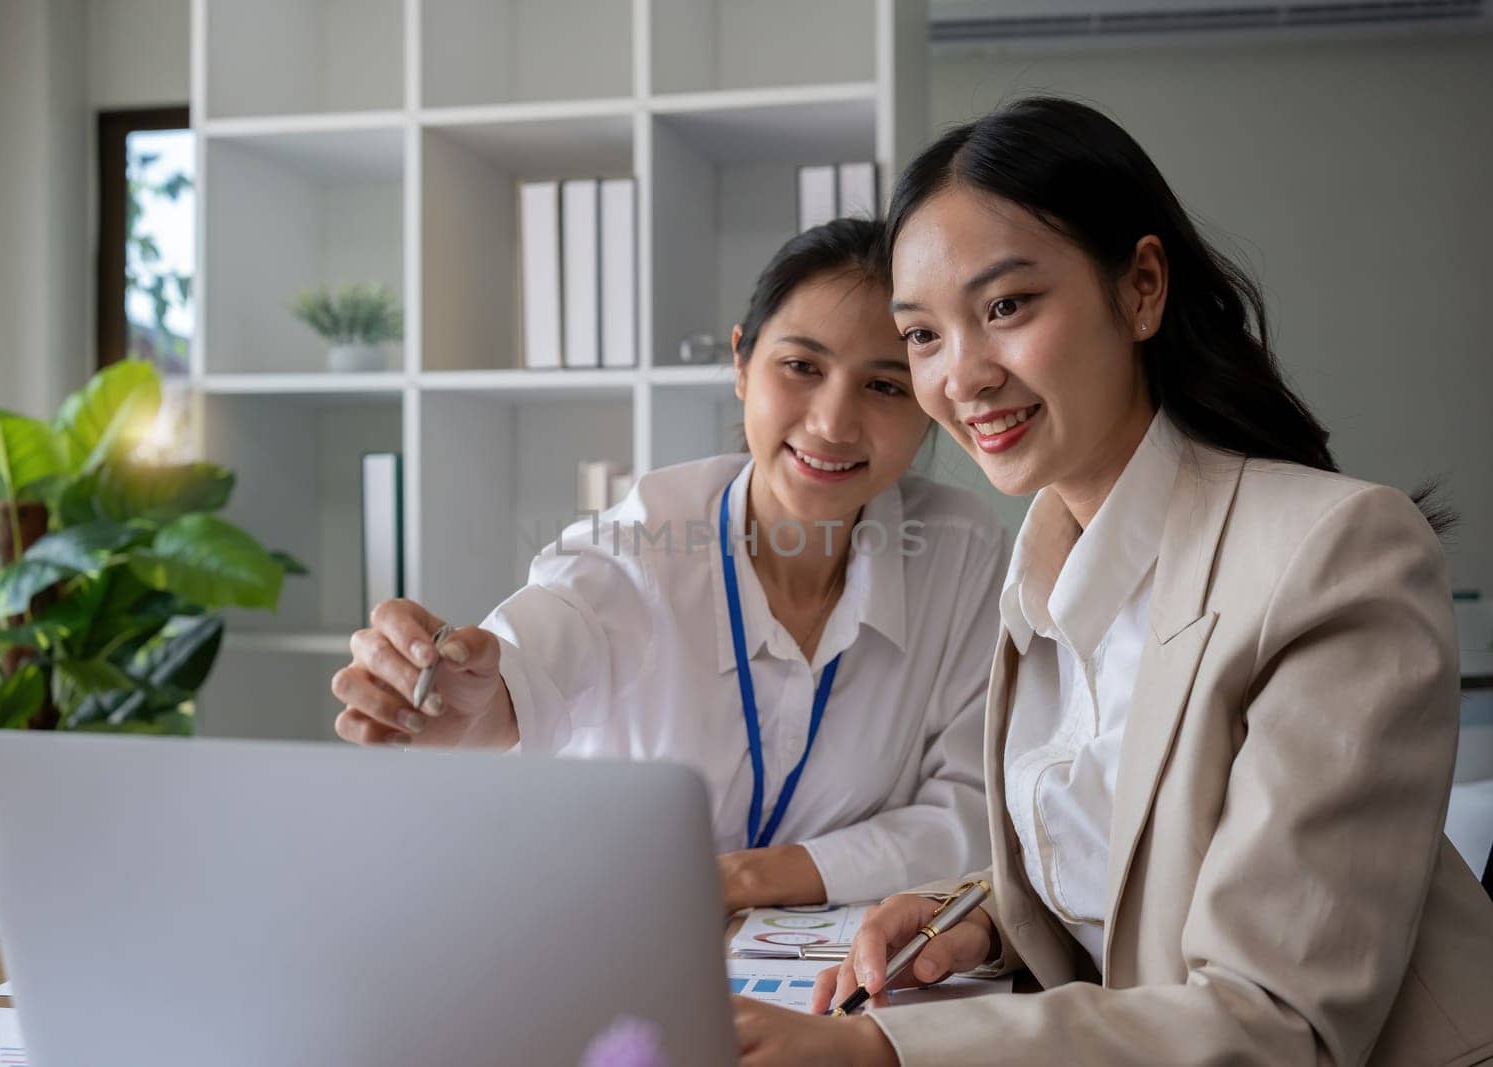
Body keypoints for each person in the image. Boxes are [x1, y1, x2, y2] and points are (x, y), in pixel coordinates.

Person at [733, 97, 1493, 1066]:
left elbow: (1277, 1020)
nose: (960, 374)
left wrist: (879, 1049)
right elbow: (1135, 854)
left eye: (1005, 306)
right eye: (922, 334)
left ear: (1139, 287)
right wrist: (976, 911)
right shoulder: (1041, 571)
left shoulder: (1332, 550)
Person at [332, 218, 1008, 911]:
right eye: (802, 367)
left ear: (930, 398)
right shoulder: (643, 541)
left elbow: (976, 812)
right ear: (742, 364)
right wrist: (466, 703)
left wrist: (745, 878)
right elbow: (531, 659)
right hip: (610, 945)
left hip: (840, 984)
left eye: (886, 386)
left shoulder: (960, 555)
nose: (834, 422)